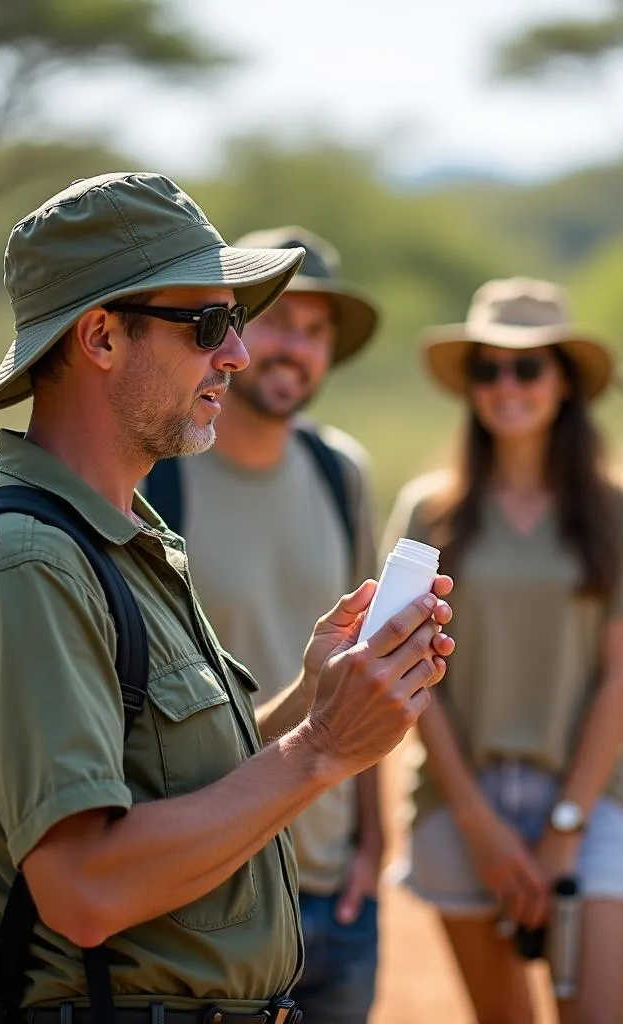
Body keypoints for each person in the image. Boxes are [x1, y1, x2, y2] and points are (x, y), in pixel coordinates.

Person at [0, 171, 454, 1021]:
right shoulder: (28, 565)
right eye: (209, 324)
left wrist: (306, 709)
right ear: (100, 336)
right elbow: (83, 888)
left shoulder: (121, 538)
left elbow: (177, 792)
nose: (237, 356)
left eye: (235, 324)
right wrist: (320, 748)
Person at [384, 278, 623, 1024]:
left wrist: (563, 831)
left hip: (586, 800)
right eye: (488, 369)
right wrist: (481, 826)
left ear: (565, 381)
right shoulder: (430, 509)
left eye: (528, 367)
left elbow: (620, 680)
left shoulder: (622, 512)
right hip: (458, 801)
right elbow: (413, 673)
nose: (506, 386)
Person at [142, 226, 384, 1024]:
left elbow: (363, 659)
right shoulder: (158, 476)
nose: (295, 348)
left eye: (317, 331)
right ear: (228, 333)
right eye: (279, 319)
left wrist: (374, 846)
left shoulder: (338, 469)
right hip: (217, 889)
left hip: (336, 888)